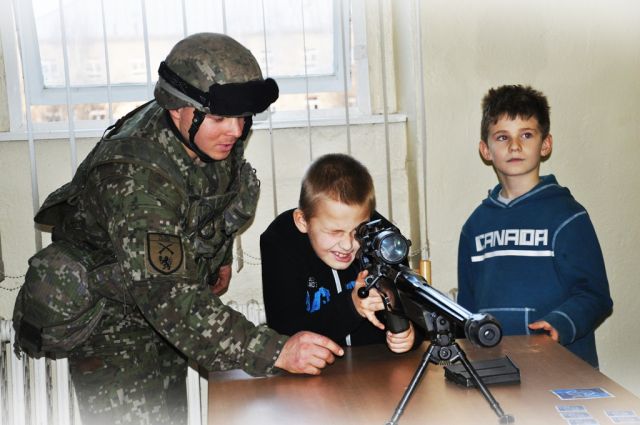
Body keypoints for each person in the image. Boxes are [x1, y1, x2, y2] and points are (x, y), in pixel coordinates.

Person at [12, 33, 343, 425]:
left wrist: (218, 256)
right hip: (114, 320)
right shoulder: (135, 179)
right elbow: (169, 297)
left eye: (243, 117)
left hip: (163, 300)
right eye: (221, 119)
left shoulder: (209, 130)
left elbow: (218, 191)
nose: (236, 131)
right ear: (176, 109)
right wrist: (277, 351)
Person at [457, 84, 613, 368]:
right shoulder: (474, 226)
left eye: (526, 135)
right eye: (502, 137)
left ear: (545, 145)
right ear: (486, 150)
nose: (514, 146)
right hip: (497, 367)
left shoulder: (568, 216)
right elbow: (467, 309)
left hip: (563, 369)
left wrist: (560, 323)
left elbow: (596, 296)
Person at [261, 153, 417, 353]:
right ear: (303, 221)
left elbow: (414, 311)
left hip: (377, 364)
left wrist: (409, 335)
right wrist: (352, 307)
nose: (347, 245)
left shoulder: (384, 240)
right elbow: (284, 335)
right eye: (335, 232)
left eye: (358, 231)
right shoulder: (280, 241)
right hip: (312, 370)